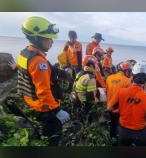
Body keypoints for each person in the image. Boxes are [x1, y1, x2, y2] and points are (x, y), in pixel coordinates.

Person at [17, 16, 70, 146]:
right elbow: (43, 91)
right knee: (52, 138)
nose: (51, 42)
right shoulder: (39, 61)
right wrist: (57, 111)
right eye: (48, 38)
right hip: (46, 109)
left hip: (32, 102)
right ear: (36, 38)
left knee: (44, 135)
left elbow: (24, 70)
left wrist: (64, 74)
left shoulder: (25, 53)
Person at [108, 72, 146, 146]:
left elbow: (109, 107)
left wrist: (122, 108)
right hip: (140, 133)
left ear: (132, 81)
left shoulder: (121, 92)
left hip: (123, 130)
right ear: (145, 84)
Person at [106, 61, 132, 140]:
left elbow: (107, 90)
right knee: (121, 125)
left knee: (113, 123)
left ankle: (112, 138)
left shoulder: (109, 78)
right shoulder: (128, 81)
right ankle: (119, 139)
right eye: (129, 71)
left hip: (109, 106)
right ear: (126, 71)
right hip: (120, 108)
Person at [71, 56, 97, 122]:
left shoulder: (80, 73)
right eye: (95, 65)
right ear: (91, 65)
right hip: (82, 101)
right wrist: (96, 100)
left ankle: (75, 119)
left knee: (76, 113)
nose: (96, 67)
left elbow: (74, 85)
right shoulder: (91, 78)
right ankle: (83, 122)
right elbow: (90, 97)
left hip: (74, 96)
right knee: (84, 114)